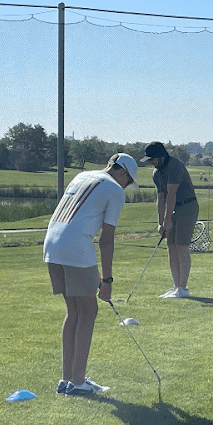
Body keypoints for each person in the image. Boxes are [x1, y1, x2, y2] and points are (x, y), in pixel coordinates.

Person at [44, 153, 138, 396]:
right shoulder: (115, 190)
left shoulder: (82, 176)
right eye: (128, 181)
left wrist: (97, 275)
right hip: (75, 247)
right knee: (88, 312)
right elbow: (106, 240)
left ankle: (67, 379)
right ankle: (78, 382)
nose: (126, 186)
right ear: (123, 172)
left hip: (51, 245)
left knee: (74, 311)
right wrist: (107, 280)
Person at [138, 142, 199, 299]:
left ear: (161, 157)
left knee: (181, 246)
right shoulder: (156, 173)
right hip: (174, 208)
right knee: (171, 247)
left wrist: (168, 220)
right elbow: (161, 198)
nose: (151, 162)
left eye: (152, 159)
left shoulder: (174, 166)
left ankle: (183, 288)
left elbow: (171, 195)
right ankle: (176, 285)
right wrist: (161, 223)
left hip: (187, 206)